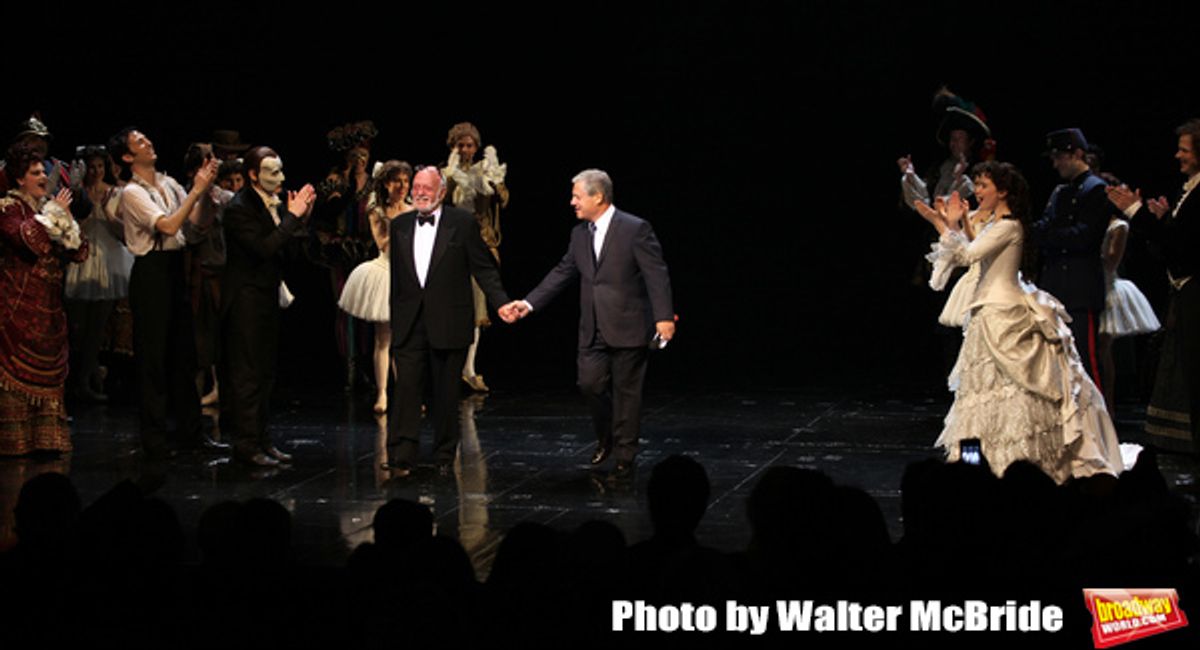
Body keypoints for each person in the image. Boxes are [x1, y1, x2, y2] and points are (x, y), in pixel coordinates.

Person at [926, 161, 1123, 483]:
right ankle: (978, 465)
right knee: (983, 394)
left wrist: (947, 225)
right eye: (977, 185)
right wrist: (954, 222)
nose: (977, 191)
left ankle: (1019, 469)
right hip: (988, 314)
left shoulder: (1009, 226)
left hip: (1004, 314)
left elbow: (967, 255)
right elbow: (972, 250)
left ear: (1003, 191)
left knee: (1013, 393)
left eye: (983, 186)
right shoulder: (996, 224)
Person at [507, 169, 675, 478]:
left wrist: (663, 316)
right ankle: (608, 434)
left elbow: (656, 273)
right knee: (589, 384)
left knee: (626, 394)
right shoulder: (579, 234)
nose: (572, 202)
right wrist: (528, 304)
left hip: (628, 323)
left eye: (577, 196)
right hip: (593, 326)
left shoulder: (635, 228)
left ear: (598, 196)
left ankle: (624, 456)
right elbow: (562, 272)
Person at [384, 166, 511, 477]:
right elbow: (398, 278)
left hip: (449, 320)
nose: (420, 193)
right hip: (410, 321)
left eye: (427, 188)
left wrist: (501, 303)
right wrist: (396, 318)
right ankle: (401, 454)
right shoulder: (399, 225)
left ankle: (443, 455)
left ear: (442, 192)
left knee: (445, 392)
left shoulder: (462, 223)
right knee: (406, 388)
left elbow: (483, 268)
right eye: (416, 187)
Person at [109, 127, 223, 460]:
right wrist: (196, 190)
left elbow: (193, 225)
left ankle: (191, 433)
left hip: (175, 268)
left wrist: (205, 193)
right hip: (151, 273)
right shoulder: (132, 192)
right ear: (127, 157)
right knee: (153, 360)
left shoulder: (169, 183)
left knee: (184, 356)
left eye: (146, 138)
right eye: (139, 142)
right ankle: (154, 438)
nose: (148, 142)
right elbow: (168, 226)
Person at [1107, 118, 1200, 455]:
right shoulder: (1188, 189)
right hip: (1183, 291)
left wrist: (1135, 211)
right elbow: (1171, 246)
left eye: (1184, 150)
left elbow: (1183, 245)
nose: (1178, 155)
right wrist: (1163, 221)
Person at [220, 147, 316, 467]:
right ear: (252, 175)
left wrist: (301, 218)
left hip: (266, 295)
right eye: (273, 172)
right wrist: (292, 218)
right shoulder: (239, 208)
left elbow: (288, 252)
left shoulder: (272, 204)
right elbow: (263, 249)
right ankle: (245, 444)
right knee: (247, 373)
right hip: (245, 299)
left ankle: (262, 440)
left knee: (265, 372)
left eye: (280, 170)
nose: (281, 177)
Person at [0, 143, 88, 455]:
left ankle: (45, 439)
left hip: (48, 305)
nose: (42, 177)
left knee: (50, 364)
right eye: (35, 173)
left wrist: (66, 221)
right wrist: (53, 213)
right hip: (16, 304)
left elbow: (79, 251)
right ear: (19, 179)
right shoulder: (8, 208)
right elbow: (29, 240)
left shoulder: (45, 207)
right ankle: (15, 442)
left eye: (43, 172)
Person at [1034, 128, 1114, 390]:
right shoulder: (1060, 192)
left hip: (1080, 287)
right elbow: (1045, 226)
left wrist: (1048, 236)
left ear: (1078, 154)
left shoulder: (1097, 190)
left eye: (1060, 157)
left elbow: (1084, 237)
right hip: (1055, 285)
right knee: (1055, 360)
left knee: (1086, 360)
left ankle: (1098, 414)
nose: (1055, 163)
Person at [338, 160, 413, 414]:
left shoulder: (414, 209)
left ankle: (406, 394)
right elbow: (382, 243)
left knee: (405, 342)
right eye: (397, 181)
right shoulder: (377, 211)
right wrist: (401, 225)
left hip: (409, 277)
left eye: (405, 181)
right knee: (384, 339)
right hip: (386, 272)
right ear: (386, 184)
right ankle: (382, 393)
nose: (402, 186)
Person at [443, 122, 509, 393]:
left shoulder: (485, 169)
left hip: (480, 241)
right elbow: (440, 201)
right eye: (460, 145)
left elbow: (503, 199)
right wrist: (450, 177)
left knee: (477, 305)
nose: (465, 150)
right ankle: (452, 368)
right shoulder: (446, 172)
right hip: (452, 243)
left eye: (470, 145)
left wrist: (496, 184)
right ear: (453, 147)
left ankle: (469, 369)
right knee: (452, 306)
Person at [64, 145, 132, 403]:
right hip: (82, 260)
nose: (96, 171)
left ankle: (87, 380)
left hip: (107, 260)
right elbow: (70, 227)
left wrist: (107, 212)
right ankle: (86, 376)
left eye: (100, 166)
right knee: (77, 327)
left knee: (97, 327)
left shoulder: (115, 193)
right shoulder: (77, 193)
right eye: (91, 167)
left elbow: (123, 234)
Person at [1096, 214, 1160, 413]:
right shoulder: (1094, 220)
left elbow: (1111, 262)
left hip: (1108, 289)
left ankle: (1108, 405)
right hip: (1089, 287)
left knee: (1103, 349)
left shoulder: (1119, 226)